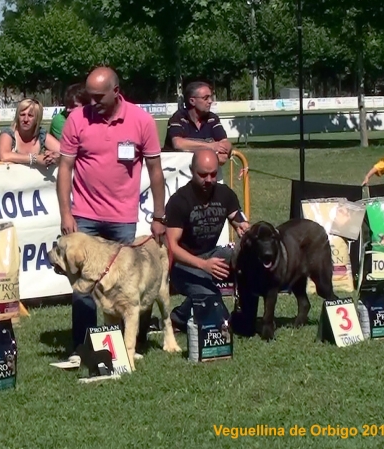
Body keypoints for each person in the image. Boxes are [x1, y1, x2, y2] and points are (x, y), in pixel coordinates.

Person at [57, 66, 167, 363]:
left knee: (127, 287)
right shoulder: (77, 119)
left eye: (98, 97)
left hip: (122, 218)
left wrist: (159, 215)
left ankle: (125, 345)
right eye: (88, 96)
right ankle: (82, 346)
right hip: (85, 216)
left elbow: (156, 171)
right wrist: (66, 214)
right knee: (83, 286)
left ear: (116, 92)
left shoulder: (142, 121)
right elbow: (64, 168)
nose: (91, 102)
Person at [165, 149, 249, 332]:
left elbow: (238, 218)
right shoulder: (179, 201)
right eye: (202, 175)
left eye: (213, 174)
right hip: (182, 264)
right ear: (191, 170)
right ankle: (180, 316)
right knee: (214, 305)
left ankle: (247, 306)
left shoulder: (225, 194)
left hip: (213, 254)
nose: (209, 179)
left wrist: (243, 226)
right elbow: (171, 246)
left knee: (248, 256)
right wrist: (203, 265)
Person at [162, 81, 232, 175]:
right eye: (206, 98)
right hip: (174, 176)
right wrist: (210, 146)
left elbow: (225, 142)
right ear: (192, 101)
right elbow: (178, 143)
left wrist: (224, 152)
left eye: (210, 97)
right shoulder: (178, 118)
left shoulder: (212, 118)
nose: (210, 101)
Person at [0, 98, 60, 167]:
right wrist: (35, 158)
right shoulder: (8, 133)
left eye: (30, 115)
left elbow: (65, 153)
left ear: (37, 118)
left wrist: (54, 156)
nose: (26, 119)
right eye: (22, 115)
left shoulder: (41, 134)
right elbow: (4, 156)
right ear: (17, 116)